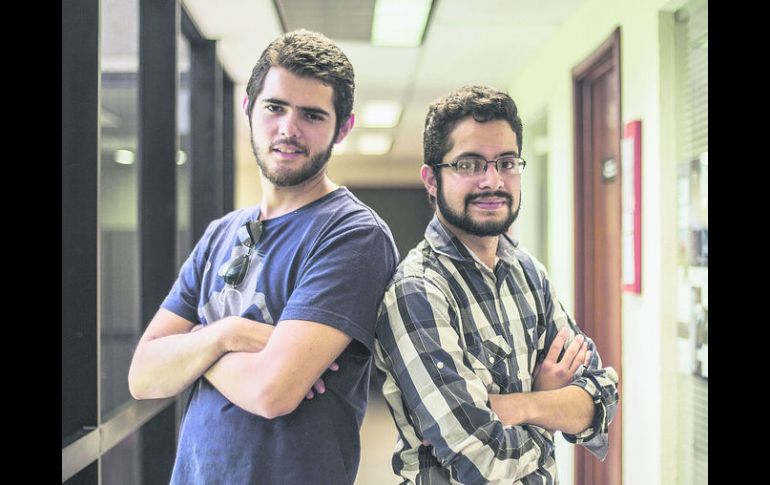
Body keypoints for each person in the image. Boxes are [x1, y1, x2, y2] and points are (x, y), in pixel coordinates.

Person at [128, 29, 398, 485]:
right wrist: (230, 334)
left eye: (312, 115)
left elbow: (272, 391)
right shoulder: (219, 234)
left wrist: (196, 345)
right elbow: (143, 375)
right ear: (249, 109)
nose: (288, 129)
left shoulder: (353, 235)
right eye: (275, 107)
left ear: (342, 128)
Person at [373, 85, 619, 484]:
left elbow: (602, 397)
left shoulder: (528, 273)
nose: (492, 181)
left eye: (506, 163)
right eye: (469, 165)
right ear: (431, 179)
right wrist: (550, 411)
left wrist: (519, 405)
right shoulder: (417, 290)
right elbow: (481, 459)